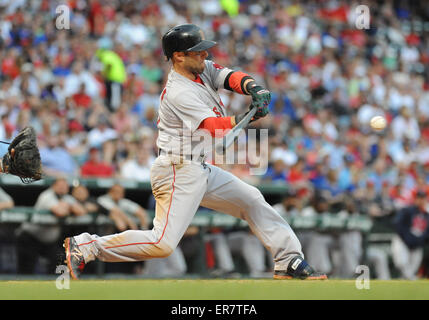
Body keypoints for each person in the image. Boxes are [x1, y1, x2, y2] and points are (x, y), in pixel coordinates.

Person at [63, 24, 327, 281]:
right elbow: (213, 127)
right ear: (179, 56)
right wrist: (248, 115)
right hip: (177, 168)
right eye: (198, 50)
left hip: (198, 166)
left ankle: (288, 260)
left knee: (252, 199)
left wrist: (253, 88)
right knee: (162, 244)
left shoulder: (201, 69)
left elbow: (229, 76)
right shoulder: (178, 92)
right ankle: (87, 246)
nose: (205, 54)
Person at [16, 177, 82, 274]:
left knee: (58, 261)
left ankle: (51, 286)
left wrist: (66, 206)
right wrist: (70, 208)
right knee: (26, 270)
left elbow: (81, 211)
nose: (63, 188)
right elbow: (60, 212)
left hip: (48, 241)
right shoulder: (47, 195)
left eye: (65, 186)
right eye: (60, 185)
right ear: (53, 186)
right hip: (30, 236)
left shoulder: (66, 198)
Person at [391, 190, 429, 280]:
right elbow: (397, 224)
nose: (421, 200)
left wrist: (420, 240)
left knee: (411, 269)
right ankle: (409, 279)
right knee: (401, 263)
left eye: (423, 198)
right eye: (419, 198)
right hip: (403, 241)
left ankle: (406, 280)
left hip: (416, 245)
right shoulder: (407, 210)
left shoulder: (427, 215)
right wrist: (408, 238)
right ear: (415, 199)